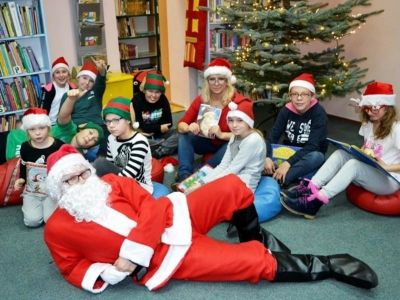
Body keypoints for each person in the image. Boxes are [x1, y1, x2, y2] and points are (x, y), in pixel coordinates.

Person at [44, 144, 377, 294]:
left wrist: (131, 253)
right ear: (58, 188)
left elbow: (152, 208)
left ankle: (256, 237)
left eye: (82, 174)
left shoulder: (113, 182)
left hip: (173, 218)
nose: (79, 183)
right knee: (250, 264)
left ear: (90, 171)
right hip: (166, 258)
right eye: (68, 180)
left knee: (231, 186)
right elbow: (70, 267)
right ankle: (329, 263)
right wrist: (107, 272)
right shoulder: (57, 229)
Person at [280, 82, 400, 219]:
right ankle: (310, 188)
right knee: (340, 154)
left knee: (353, 165)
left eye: (375, 108)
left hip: (389, 179)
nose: (370, 112)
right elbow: (367, 147)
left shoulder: (397, 129)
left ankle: (315, 203)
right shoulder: (369, 124)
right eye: (367, 108)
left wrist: (387, 167)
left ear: (388, 107)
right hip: (373, 170)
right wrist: (360, 152)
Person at [176, 57, 250, 182]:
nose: (216, 83)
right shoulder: (201, 99)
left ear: (227, 81)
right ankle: (184, 174)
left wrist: (221, 134)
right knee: (184, 135)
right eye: (212, 79)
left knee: (234, 145)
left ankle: (200, 177)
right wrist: (189, 127)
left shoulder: (239, 102)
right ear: (207, 81)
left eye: (221, 79)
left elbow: (246, 135)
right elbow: (180, 125)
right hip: (206, 142)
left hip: (227, 144)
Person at [0, 91, 104, 164]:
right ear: (82, 128)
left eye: (94, 140)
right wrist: (71, 99)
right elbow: (64, 115)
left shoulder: (76, 156)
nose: (90, 138)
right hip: (10, 140)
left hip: (12, 161)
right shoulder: (69, 129)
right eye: (91, 133)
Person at [264, 73, 328, 187]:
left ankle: (279, 179)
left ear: (312, 96)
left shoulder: (319, 113)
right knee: (260, 149)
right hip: (288, 151)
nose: (299, 98)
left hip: (307, 154)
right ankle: (285, 174)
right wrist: (267, 157)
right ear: (290, 96)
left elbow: (313, 146)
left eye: (304, 94)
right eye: (295, 94)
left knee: (317, 157)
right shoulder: (286, 110)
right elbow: (272, 137)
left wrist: (288, 163)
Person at [13, 108, 63, 227]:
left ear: (49, 128)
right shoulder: (25, 147)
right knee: (32, 222)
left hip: (52, 191)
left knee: (50, 220)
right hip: (32, 191)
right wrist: (21, 180)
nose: (37, 133)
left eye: (42, 128)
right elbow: (23, 165)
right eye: (32, 129)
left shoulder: (59, 146)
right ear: (27, 131)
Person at [202, 99, 266, 192]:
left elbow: (232, 169)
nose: (234, 125)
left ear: (248, 122)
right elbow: (223, 166)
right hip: (232, 178)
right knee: (202, 189)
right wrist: (203, 182)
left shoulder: (252, 140)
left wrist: (207, 185)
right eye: (231, 120)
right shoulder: (235, 136)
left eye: (240, 120)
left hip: (244, 186)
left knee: (206, 194)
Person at [92, 97, 153, 194]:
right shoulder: (111, 138)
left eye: (116, 120)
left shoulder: (140, 141)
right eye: (108, 121)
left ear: (128, 120)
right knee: (97, 166)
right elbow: (110, 164)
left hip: (140, 187)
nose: (111, 125)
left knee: (99, 164)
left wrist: (105, 186)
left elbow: (128, 175)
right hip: (120, 178)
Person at [59, 58, 108, 155]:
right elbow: (63, 116)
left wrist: (101, 70)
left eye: (91, 81)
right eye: (84, 78)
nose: (86, 83)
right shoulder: (68, 95)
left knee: (106, 142)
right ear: (78, 78)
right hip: (77, 128)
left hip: (97, 127)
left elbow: (101, 78)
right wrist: (72, 99)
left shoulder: (95, 92)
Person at [131, 71, 177, 158]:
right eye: (150, 91)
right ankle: (165, 148)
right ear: (145, 90)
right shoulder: (137, 100)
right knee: (137, 141)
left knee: (180, 132)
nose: (153, 95)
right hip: (144, 136)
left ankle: (158, 151)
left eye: (157, 92)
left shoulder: (163, 99)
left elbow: (169, 123)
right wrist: (159, 128)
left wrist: (158, 129)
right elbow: (140, 125)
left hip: (160, 135)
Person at [40, 56, 76, 124]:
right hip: (52, 124)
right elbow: (42, 110)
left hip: (68, 123)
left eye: (64, 72)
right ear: (53, 76)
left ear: (68, 74)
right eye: (57, 72)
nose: (61, 75)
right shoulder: (49, 89)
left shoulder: (73, 88)